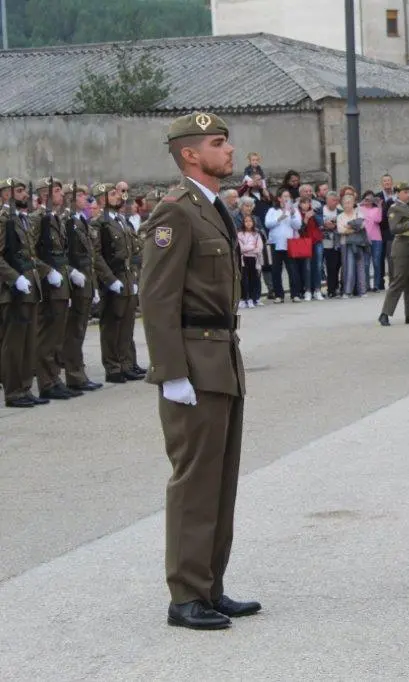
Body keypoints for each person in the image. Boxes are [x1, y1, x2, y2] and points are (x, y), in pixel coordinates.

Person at [139, 111, 258, 630]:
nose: (229, 150)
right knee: (194, 480)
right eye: (218, 142)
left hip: (221, 356)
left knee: (221, 478)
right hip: (194, 359)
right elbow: (158, 298)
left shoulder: (211, 207)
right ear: (191, 154)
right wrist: (171, 372)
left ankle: (210, 586)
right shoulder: (175, 212)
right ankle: (185, 595)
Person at [29, 177, 81, 400]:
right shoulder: (36, 219)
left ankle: (54, 378)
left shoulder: (55, 218)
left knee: (57, 336)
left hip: (61, 284)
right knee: (46, 336)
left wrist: (69, 273)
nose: (62, 195)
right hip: (48, 286)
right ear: (44, 195)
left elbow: (61, 254)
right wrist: (46, 272)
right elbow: (29, 254)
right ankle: (46, 382)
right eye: (57, 191)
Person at [0, 177, 46, 408]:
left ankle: (25, 387)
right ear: (6, 195)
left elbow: (30, 255)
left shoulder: (22, 220)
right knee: (14, 344)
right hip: (12, 291)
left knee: (28, 342)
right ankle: (13, 391)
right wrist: (14, 278)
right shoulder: (3, 220)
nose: (25, 195)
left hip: (29, 287)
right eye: (18, 191)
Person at [92, 183, 143, 384]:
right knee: (112, 325)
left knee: (127, 324)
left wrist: (134, 277)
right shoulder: (99, 223)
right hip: (113, 278)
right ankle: (113, 367)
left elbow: (132, 251)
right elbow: (96, 254)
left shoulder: (121, 220)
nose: (118, 197)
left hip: (127, 276)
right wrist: (110, 280)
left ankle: (127, 363)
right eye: (112, 194)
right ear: (101, 200)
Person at [63, 184, 103, 392]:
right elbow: (65, 254)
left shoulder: (81, 221)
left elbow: (90, 257)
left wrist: (93, 285)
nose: (85, 199)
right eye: (80, 195)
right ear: (70, 198)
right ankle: (74, 375)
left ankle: (79, 372)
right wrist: (71, 273)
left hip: (86, 281)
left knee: (80, 331)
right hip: (75, 282)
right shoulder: (68, 221)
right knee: (73, 332)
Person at [377, 182, 409, 325]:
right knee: (398, 281)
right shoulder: (395, 208)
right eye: (406, 192)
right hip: (403, 248)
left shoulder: (407, 208)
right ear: (398, 193)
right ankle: (385, 314)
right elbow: (394, 228)